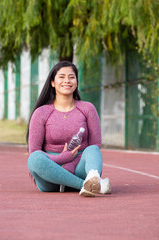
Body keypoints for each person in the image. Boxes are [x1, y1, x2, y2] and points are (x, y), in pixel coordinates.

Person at [27, 61, 112, 197]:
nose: (67, 80)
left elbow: (95, 144)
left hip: (79, 169)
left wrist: (71, 165)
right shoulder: (41, 113)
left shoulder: (87, 108)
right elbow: (34, 151)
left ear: (77, 82)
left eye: (71, 77)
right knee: (34, 159)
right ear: (53, 82)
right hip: (51, 177)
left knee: (93, 150)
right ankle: (85, 186)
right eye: (61, 77)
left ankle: (91, 182)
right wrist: (61, 159)